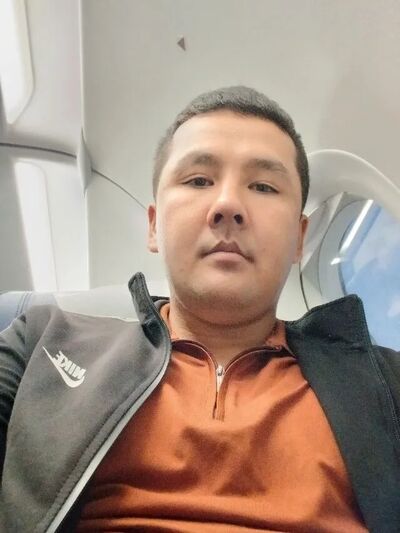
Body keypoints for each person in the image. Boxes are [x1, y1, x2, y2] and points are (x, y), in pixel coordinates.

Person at [0, 86, 399, 533]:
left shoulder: (387, 386)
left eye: (264, 186)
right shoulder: (41, 343)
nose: (228, 205)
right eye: (198, 181)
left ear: (300, 240)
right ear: (154, 226)